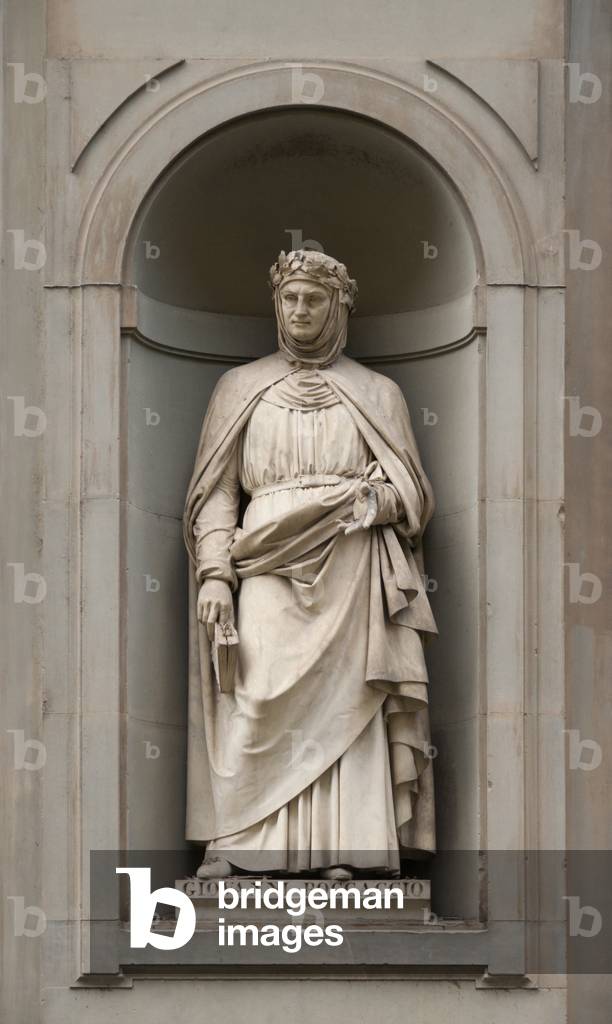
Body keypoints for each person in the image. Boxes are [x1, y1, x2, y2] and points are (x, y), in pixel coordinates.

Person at [183, 249, 437, 880]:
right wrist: (215, 571)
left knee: (350, 702)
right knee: (257, 691)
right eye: (290, 298)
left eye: (314, 299)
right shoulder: (241, 387)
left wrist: (376, 500)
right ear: (277, 303)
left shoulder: (378, 392)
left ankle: (341, 849)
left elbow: (414, 494)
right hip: (263, 559)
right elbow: (216, 494)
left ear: (338, 306)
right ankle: (241, 841)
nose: (300, 310)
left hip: (350, 566)